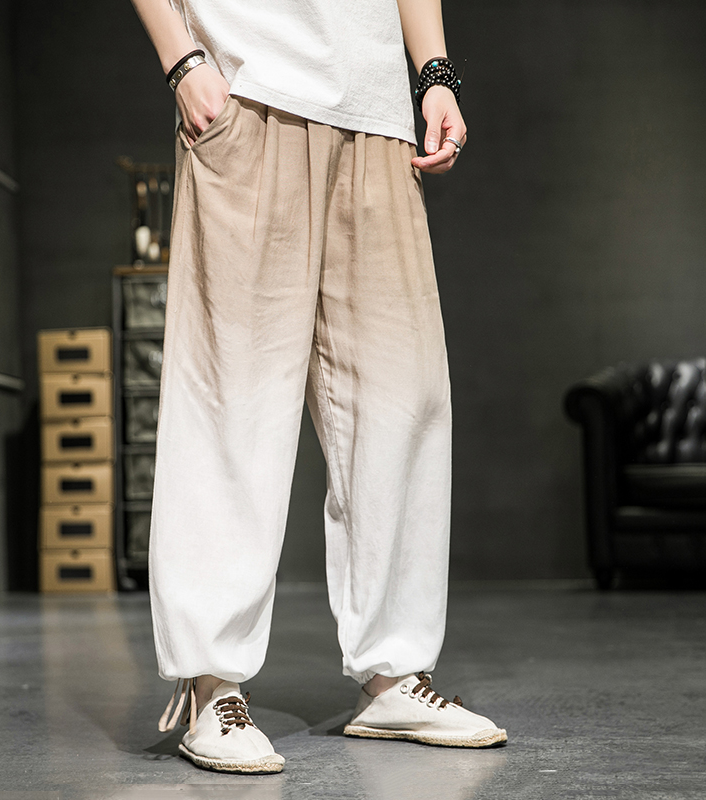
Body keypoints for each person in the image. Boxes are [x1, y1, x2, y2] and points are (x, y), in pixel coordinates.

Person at [129, 0, 507, 774]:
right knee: (232, 394)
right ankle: (210, 684)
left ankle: (392, 673)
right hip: (249, 90)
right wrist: (182, 62)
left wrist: (434, 73)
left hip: (376, 112)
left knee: (402, 399)